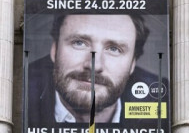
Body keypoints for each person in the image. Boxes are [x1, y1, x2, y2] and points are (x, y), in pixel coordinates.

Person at [28, 13, 162, 124]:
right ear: (54, 49)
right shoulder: (20, 93)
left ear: (133, 63)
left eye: (114, 49)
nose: (94, 65)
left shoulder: (161, 103)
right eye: (79, 43)